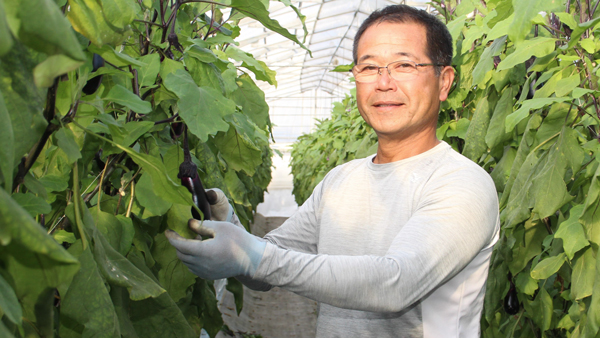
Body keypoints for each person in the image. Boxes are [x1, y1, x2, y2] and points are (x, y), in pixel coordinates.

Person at [166, 4, 500, 338]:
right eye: (369, 67)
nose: (384, 83)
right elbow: (265, 271)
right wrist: (231, 227)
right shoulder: (341, 181)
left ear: (444, 81)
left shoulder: (463, 184)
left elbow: (395, 284)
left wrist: (252, 255)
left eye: (404, 65)